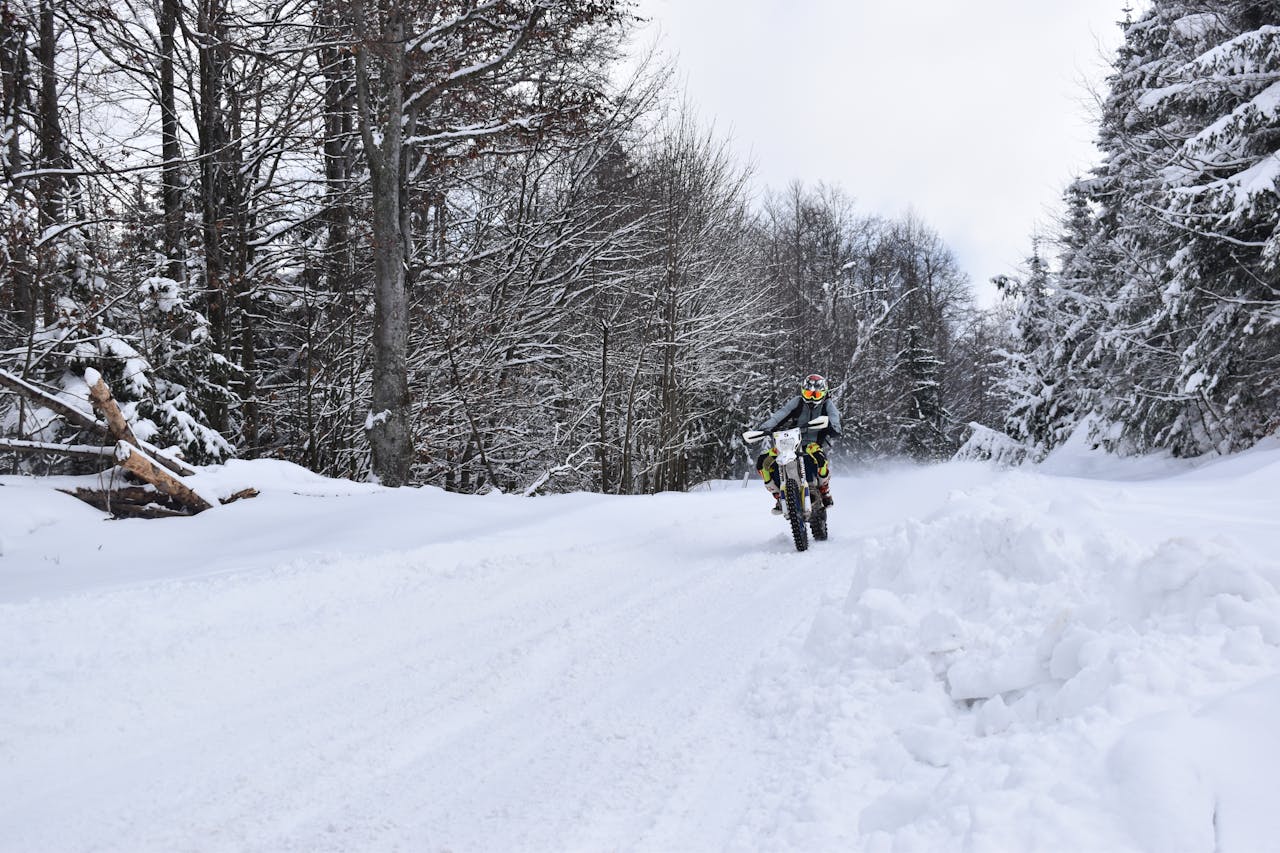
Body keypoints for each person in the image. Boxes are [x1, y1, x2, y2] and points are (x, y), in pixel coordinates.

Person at [745, 373, 842, 515]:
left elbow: (836, 425)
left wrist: (830, 426)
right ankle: (778, 496)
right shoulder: (797, 402)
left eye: (815, 395)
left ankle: (824, 490)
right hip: (790, 443)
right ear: (803, 391)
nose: (812, 398)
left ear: (824, 393)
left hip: (812, 444)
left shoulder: (828, 405)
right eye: (808, 393)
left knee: (820, 459)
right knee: (763, 462)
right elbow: (781, 414)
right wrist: (764, 430)